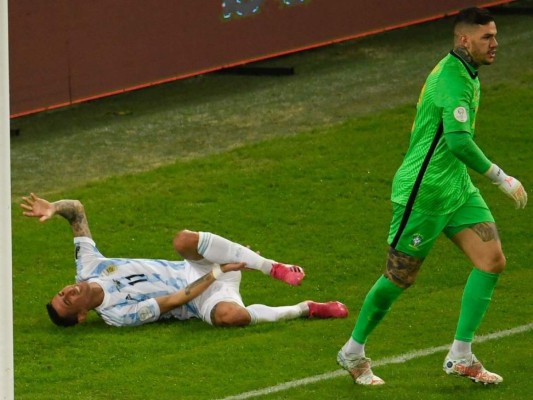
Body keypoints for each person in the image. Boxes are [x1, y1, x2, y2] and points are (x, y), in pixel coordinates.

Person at [336, 7, 527, 386]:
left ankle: (461, 355)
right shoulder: (453, 80)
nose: (495, 43)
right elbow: (458, 142)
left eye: (495, 35)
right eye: (487, 37)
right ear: (464, 39)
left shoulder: (466, 72)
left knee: (491, 260)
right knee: (399, 276)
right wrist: (500, 177)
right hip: (423, 193)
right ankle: (353, 351)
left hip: (456, 188)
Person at [21, 193, 348, 328]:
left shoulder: (88, 266)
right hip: (198, 297)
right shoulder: (118, 315)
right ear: (81, 316)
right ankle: (306, 308)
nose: (68, 292)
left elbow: (76, 210)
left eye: (62, 292)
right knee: (231, 317)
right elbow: (177, 299)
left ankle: (271, 267)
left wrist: (54, 208)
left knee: (182, 240)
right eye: (68, 302)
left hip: (196, 267)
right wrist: (220, 270)